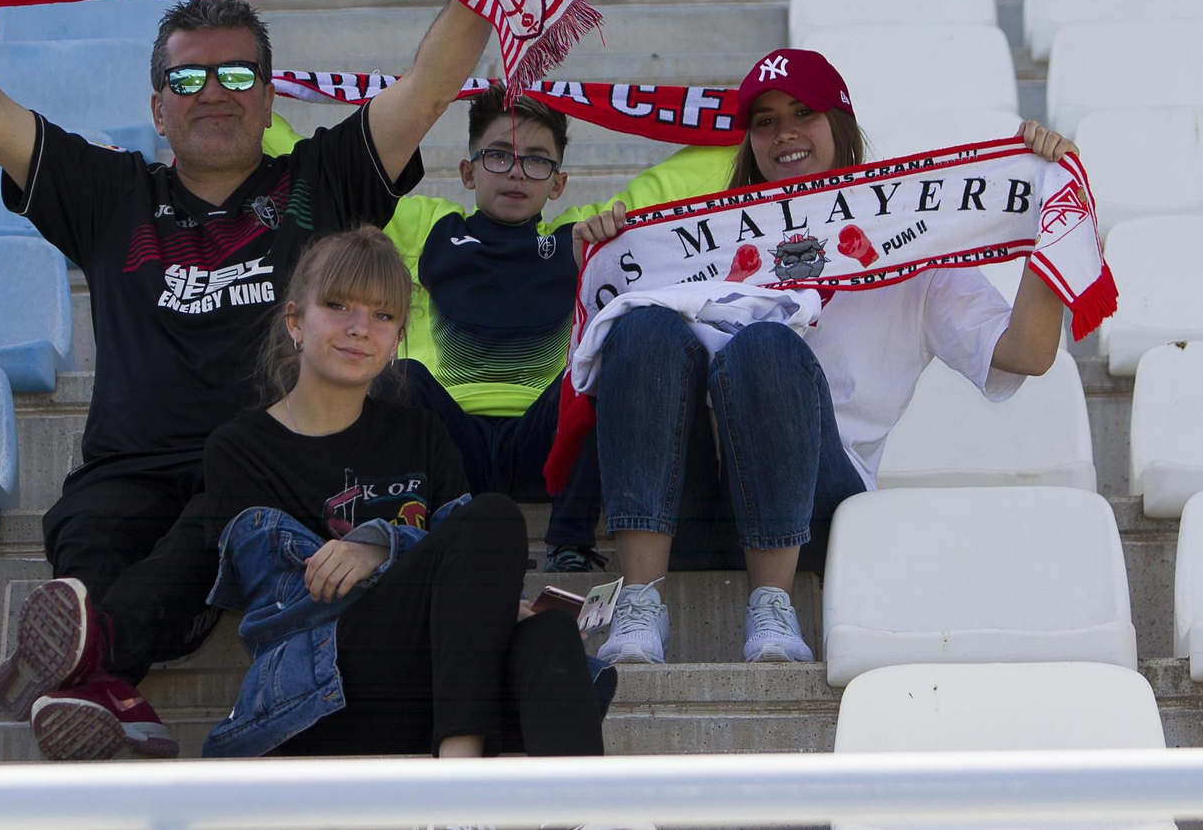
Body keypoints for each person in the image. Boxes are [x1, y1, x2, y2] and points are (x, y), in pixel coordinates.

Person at [0, 0, 525, 760]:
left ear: (270, 97)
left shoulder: (320, 181)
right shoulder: (110, 193)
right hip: (126, 471)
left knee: (213, 512)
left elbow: (430, 89)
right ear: (157, 104)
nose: (214, 92)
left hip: (267, 474)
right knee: (87, 539)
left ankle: (90, 661)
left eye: (237, 74)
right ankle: (107, 688)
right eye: (187, 77)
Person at [572, 48, 1077, 666]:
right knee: (643, 327)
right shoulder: (693, 242)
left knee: (765, 346)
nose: (784, 132)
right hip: (695, 498)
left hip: (818, 508)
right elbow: (632, 372)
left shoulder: (913, 245)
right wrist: (607, 263)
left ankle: (773, 607)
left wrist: (1058, 218)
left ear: (839, 123)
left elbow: (1026, 352)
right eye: (764, 121)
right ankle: (640, 603)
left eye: (804, 112)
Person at [195, 225, 610, 759]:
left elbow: (461, 559)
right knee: (492, 518)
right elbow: (292, 598)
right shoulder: (240, 447)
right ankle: (459, 791)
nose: (360, 328)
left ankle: (584, 816)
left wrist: (385, 555)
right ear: (295, 320)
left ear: (397, 338)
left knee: (548, 635)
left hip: (434, 688)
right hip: (320, 695)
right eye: (339, 305)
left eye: (383, 315)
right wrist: (403, 555)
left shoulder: (420, 433)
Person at [378, 87, 735, 572]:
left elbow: (673, 184)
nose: (517, 172)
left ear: (560, 183)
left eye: (537, 161)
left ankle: (568, 543)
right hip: (450, 445)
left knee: (601, 364)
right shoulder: (428, 229)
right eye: (498, 155)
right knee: (399, 375)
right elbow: (335, 174)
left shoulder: (581, 237)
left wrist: (749, 125)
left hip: (546, 448)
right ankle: (415, 537)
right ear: (467, 171)